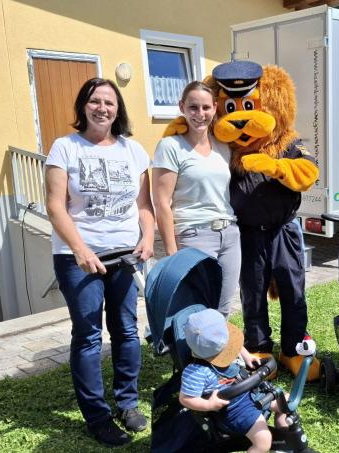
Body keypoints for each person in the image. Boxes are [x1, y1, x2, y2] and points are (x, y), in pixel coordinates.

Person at [45, 78, 154, 446]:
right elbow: (55, 206)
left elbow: (143, 206)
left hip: (125, 257)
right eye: (95, 101)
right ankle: (97, 416)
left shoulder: (134, 151)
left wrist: (149, 237)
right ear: (83, 107)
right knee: (89, 336)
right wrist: (80, 249)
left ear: (118, 109)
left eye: (109, 102)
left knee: (126, 329)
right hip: (79, 259)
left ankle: (128, 402)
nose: (102, 108)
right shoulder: (65, 148)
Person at [153, 81, 239, 317]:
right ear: (182, 107)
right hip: (194, 236)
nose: (200, 114)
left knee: (223, 307)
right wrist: (172, 253)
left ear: (214, 108)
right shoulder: (170, 146)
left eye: (205, 108)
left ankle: (220, 353)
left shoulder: (223, 146)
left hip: (230, 235)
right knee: (198, 309)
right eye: (193, 107)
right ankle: (194, 355)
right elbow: (162, 203)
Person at [180, 309, 288, 453]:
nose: (231, 350)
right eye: (226, 350)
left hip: (252, 390)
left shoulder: (222, 342)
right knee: (263, 441)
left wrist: (247, 356)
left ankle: (284, 434)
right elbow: (186, 398)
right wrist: (208, 404)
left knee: (286, 401)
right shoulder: (196, 372)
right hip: (235, 409)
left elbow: (234, 345)